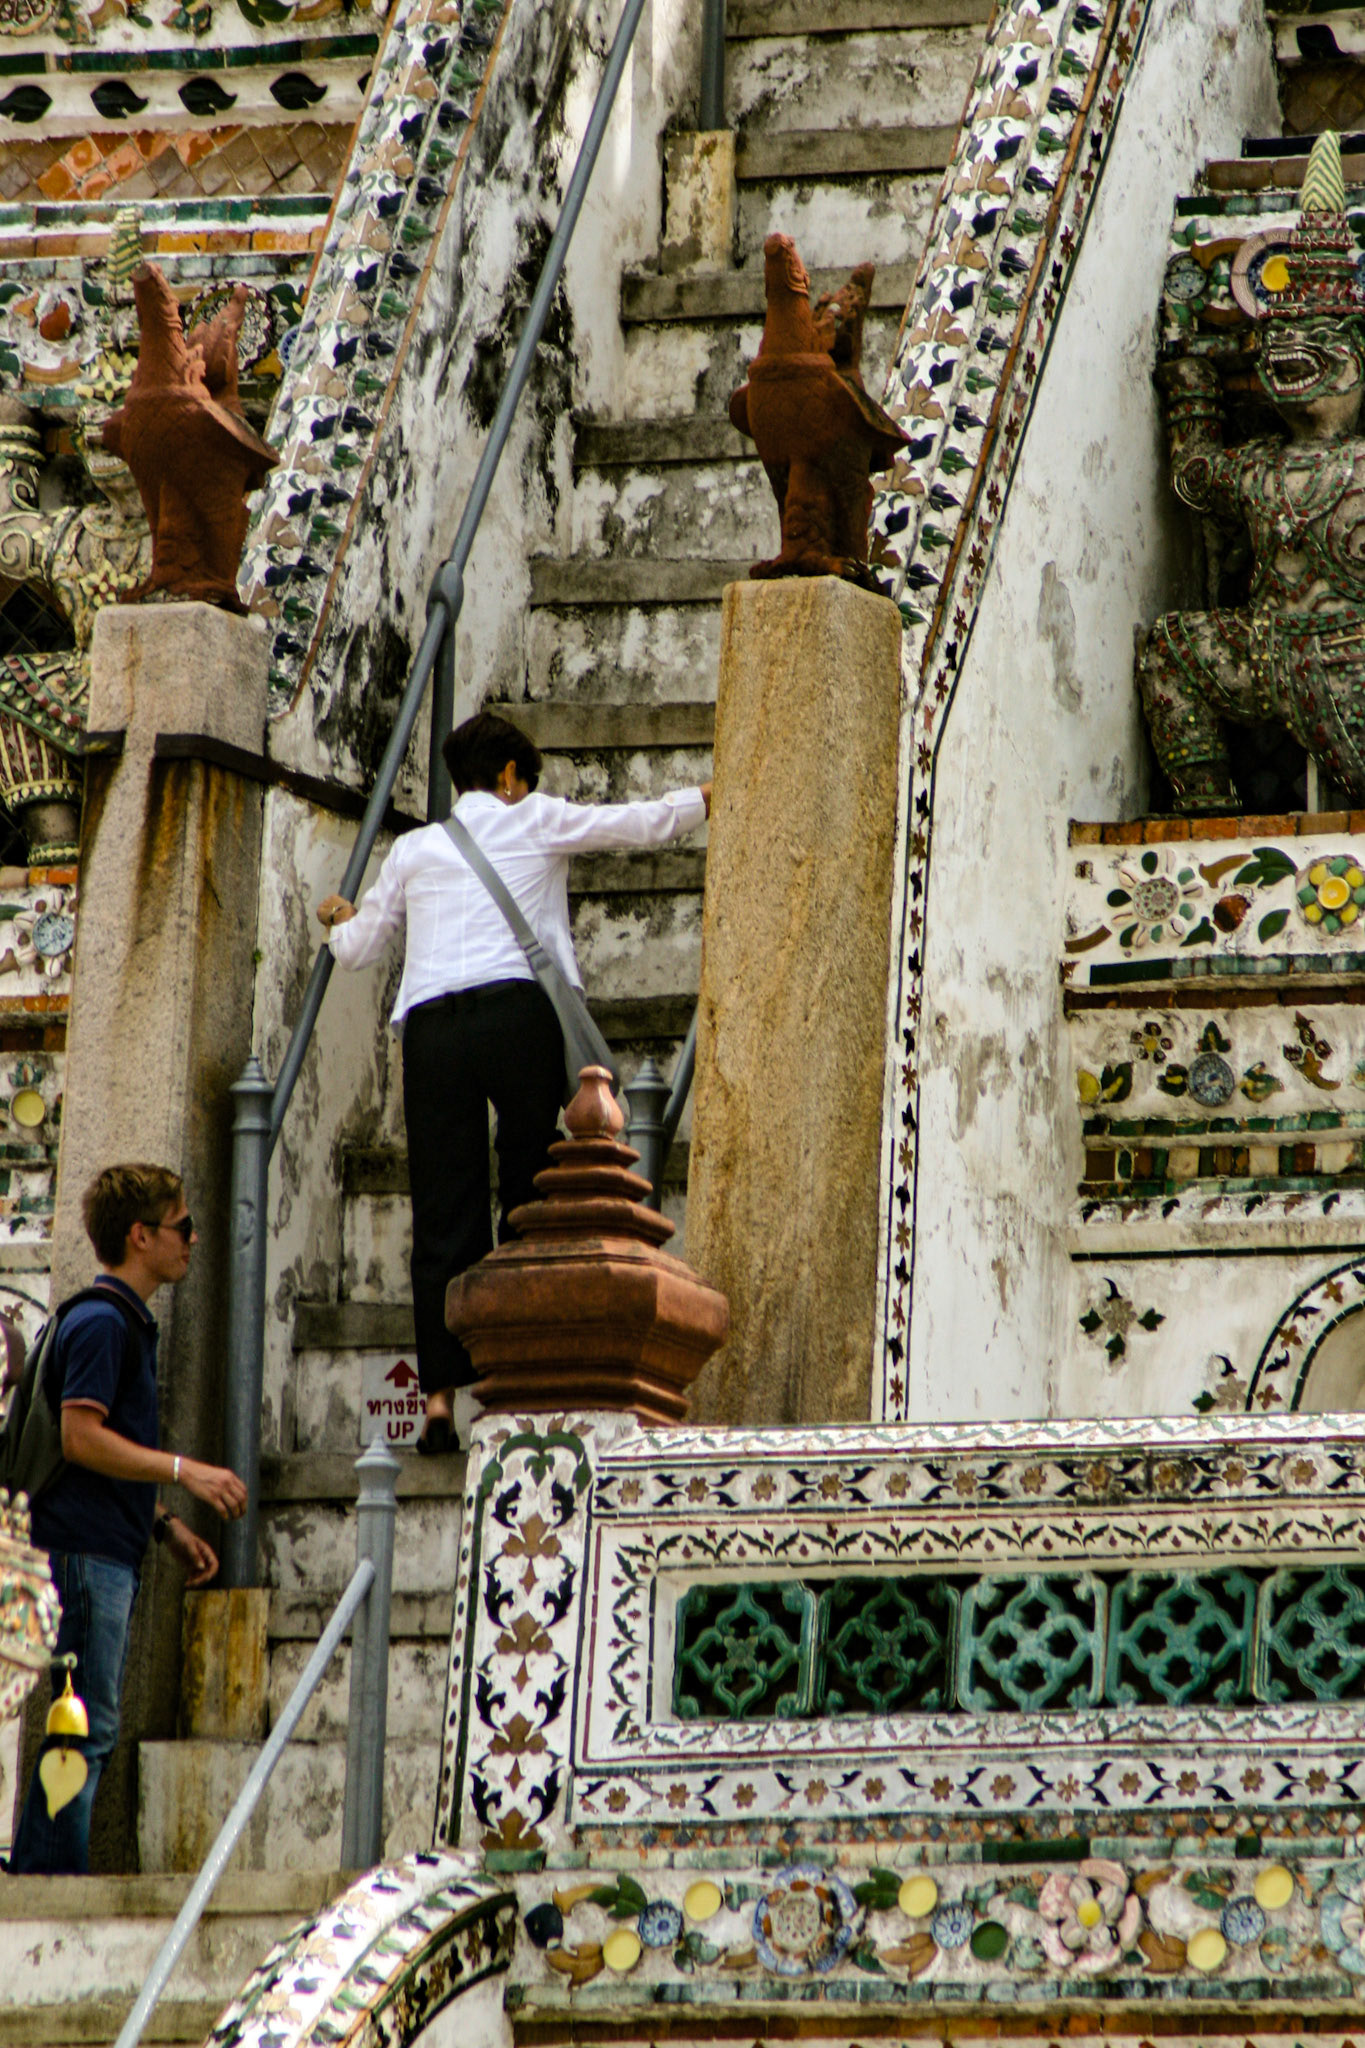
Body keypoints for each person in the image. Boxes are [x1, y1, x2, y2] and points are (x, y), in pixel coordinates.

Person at [319, 709, 711, 1452]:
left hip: (432, 1028)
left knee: (442, 1209)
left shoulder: (414, 847)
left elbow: (361, 946)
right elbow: (635, 823)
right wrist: (708, 797)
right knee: (529, 1185)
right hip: (514, 1015)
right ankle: (514, 1371)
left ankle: (437, 1404)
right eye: (523, 779)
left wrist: (333, 921)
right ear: (508, 777)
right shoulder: (529, 816)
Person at [7, 1163, 247, 1876]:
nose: (193, 1240)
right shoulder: (104, 1323)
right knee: (82, 1727)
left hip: (102, 1546)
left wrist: (163, 1524)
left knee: (81, 1723)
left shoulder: (116, 1321)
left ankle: (45, 1877)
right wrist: (183, 1468)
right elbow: (82, 1438)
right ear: (140, 1236)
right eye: (181, 1227)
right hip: (80, 1556)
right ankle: (46, 1886)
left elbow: (97, 1453)